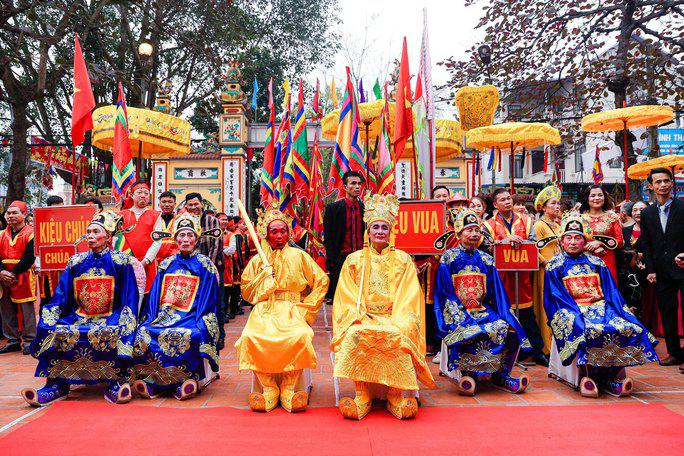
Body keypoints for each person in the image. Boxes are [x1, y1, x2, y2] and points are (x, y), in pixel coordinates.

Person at [332, 194, 436, 420]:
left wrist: (399, 320)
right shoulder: (354, 260)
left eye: (384, 228)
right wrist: (357, 316)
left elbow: (410, 296)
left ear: (391, 232)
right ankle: (363, 393)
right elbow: (345, 295)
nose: (380, 232)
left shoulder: (403, 259)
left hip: (393, 315)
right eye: (375, 227)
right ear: (368, 232)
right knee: (356, 333)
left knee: (397, 334)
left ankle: (395, 394)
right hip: (365, 316)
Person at [21, 211, 139, 406]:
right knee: (57, 330)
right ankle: (56, 384)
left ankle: (114, 381)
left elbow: (129, 297)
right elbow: (61, 294)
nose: (90, 236)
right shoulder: (76, 262)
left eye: (95, 232)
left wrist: (125, 320)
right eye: (88, 232)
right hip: (79, 316)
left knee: (108, 332)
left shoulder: (121, 261)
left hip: (110, 315)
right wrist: (49, 316)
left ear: (108, 237)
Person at [544, 212, 658, 397]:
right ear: (562, 241)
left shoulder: (596, 262)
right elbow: (555, 296)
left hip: (600, 306)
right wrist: (578, 312)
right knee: (586, 329)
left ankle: (613, 377)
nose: (573, 242)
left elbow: (611, 291)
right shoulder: (554, 265)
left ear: (585, 241)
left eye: (578, 238)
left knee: (623, 326)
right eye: (568, 238)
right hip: (571, 308)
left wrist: (619, 310)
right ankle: (587, 377)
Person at [236, 203, 328, 412]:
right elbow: (246, 291)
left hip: (293, 308)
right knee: (251, 337)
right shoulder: (258, 261)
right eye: (274, 232)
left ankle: (289, 387)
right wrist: (263, 280)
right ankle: (269, 388)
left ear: (288, 233)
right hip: (265, 309)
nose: (279, 236)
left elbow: (321, 281)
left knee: (300, 336)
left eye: (283, 231)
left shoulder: (300, 256)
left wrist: (307, 308)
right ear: (266, 235)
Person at [435, 210, 531, 396]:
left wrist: (505, 313)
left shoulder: (487, 259)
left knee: (508, 327)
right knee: (470, 330)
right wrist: (461, 314)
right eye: (468, 230)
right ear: (459, 234)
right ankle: (468, 373)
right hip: (458, 309)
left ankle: (501, 374)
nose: (473, 234)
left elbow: (497, 292)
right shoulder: (449, 257)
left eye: (476, 230)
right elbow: (445, 292)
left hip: (482, 308)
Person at [132, 213, 220, 401]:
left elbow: (208, 298)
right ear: (175, 238)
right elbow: (155, 296)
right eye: (181, 235)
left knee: (192, 334)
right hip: (165, 316)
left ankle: (189, 379)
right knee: (144, 332)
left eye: (189, 236)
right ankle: (152, 380)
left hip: (192, 316)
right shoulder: (166, 264)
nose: (185, 240)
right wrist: (151, 318)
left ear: (196, 239)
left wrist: (199, 320)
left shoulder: (205, 265)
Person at [483, 188, 547, 366]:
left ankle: (536, 351)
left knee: (527, 314)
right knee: (501, 313)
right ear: (495, 204)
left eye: (509, 199)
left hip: (522, 275)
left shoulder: (527, 221)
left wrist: (521, 241)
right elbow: (486, 246)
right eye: (502, 200)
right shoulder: (488, 225)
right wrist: (504, 241)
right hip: (500, 277)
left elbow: (534, 244)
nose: (507, 202)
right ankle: (503, 352)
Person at [639, 168, 684, 368]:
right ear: (651, 186)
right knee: (667, 312)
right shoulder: (647, 213)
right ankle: (674, 353)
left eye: (666, 181)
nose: (663, 185)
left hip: (683, 266)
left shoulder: (682, 207)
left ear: (672, 183)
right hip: (661, 271)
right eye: (658, 182)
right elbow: (646, 244)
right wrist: (650, 270)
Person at [183, 193, 224, 348]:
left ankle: (219, 335)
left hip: (210, 269)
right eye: (190, 205)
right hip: (191, 271)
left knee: (216, 302)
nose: (193, 207)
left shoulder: (212, 221)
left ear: (202, 204)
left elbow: (216, 245)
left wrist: (208, 267)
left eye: (196, 204)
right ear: (186, 206)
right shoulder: (185, 222)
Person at [0, 201, 37, 355]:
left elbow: (30, 257)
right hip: (3, 277)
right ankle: (13, 340)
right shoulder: (1, 234)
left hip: (23, 275)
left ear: (24, 215)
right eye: (8, 213)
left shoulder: (31, 233)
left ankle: (29, 341)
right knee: (6, 308)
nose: (11, 216)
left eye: (15, 213)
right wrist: (1, 272)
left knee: (27, 310)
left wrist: (12, 273)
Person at [324, 171, 365, 301]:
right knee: (340, 297)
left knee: (360, 295)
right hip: (341, 258)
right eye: (353, 183)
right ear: (345, 186)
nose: (357, 187)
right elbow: (328, 237)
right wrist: (332, 260)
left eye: (359, 183)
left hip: (361, 257)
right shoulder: (333, 208)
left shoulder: (366, 209)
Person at [532, 185, 562, 356]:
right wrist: (547, 263)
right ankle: (546, 346)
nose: (557, 207)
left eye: (558, 203)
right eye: (553, 203)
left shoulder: (558, 226)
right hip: (545, 271)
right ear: (543, 207)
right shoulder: (539, 225)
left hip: (558, 271)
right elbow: (534, 250)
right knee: (545, 306)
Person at [118, 181, 161, 293]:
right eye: (139, 192)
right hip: (126, 263)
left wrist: (145, 261)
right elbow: (117, 240)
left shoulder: (155, 215)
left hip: (148, 264)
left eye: (146, 193)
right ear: (132, 195)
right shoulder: (121, 215)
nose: (143, 195)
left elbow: (157, 241)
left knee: (148, 296)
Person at [579, 185, 623, 282]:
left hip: (607, 259)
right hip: (585, 260)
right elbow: (574, 242)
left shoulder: (612, 217)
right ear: (587, 198)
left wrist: (600, 243)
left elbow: (620, 241)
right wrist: (590, 248)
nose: (597, 198)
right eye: (593, 195)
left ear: (604, 197)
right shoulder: (580, 219)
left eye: (600, 195)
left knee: (608, 289)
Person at [38, 196, 65, 304]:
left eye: (61, 208)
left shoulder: (70, 223)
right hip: (48, 268)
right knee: (48, 300)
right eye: (55, 209)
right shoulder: (42, 224)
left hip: (65, 265)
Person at [155, 191, 179, 263]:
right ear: (159, 204)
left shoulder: (180, 220)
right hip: (156, 260)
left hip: (175, 260)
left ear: (175, 204)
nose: (166, 204)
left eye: (170, 202)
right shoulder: (155, 219)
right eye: (164, 202)